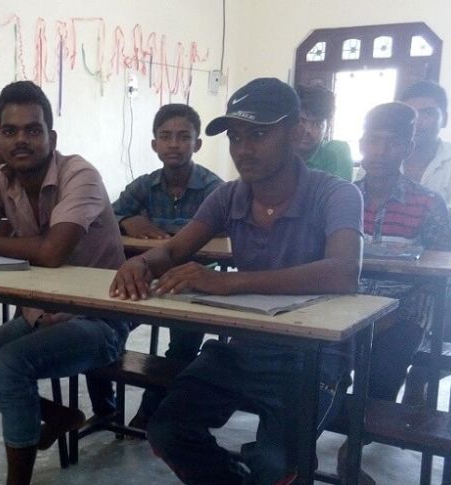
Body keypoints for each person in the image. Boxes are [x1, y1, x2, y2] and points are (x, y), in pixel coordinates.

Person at [111, 78, 363, 484]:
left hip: (315, 357)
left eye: (258, 134)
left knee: (276, 465)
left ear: (295, 131)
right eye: (236, 137)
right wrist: (142, 263)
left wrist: (230, 282)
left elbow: (343, 271)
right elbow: (174, 250)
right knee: (167, 429)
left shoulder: (335, 194)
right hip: (247, 346)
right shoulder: (230, 195)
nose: (243, 149)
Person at [0, 80, 131, 485]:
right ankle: (57, 415)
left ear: (50, 138)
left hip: (100, 319)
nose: (20, 140)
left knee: (11, 364)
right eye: (10, 131)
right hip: (39, 313)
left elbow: (52, 251)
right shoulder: (1, 179)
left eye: (32, 130)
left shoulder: (80, 175)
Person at [340, 102, 451, 483]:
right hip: (344, 305)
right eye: (373, 141)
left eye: (392, 143)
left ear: (408, 148)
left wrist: (394, 311)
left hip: (403, 311)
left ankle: (352, 449)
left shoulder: (428, 203)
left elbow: (441, 275)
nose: (380, 151)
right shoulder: (343, 197)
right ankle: (297, 444)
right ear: (361, 144)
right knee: (313, 357)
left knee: (387, 364)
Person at [111, 103, 222, 430]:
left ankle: (153, 409)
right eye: (165, 136)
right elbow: (107, 214)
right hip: (147, 274)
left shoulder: (214, 188)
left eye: (183, 137)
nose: (174, 144)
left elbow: (217, 228)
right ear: (154, 144)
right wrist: (126, 220)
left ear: (197, 144)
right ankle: (106, 408)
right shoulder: (144, 185)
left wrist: (163, 227)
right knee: (107, 325)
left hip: (193, 280)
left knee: (183, 344)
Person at [398, 80, 451, 229]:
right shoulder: (380, 156)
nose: (417, 122)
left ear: (445, 119)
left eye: (428, 113)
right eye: (410, 114)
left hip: (441, 245)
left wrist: (397, 217)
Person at [295, 84, 354, 181]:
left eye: (317, 124)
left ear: (328, 128)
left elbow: (340, 190)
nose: (307, 130)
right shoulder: (279, 151)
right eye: (302, 121)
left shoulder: (336, 152)